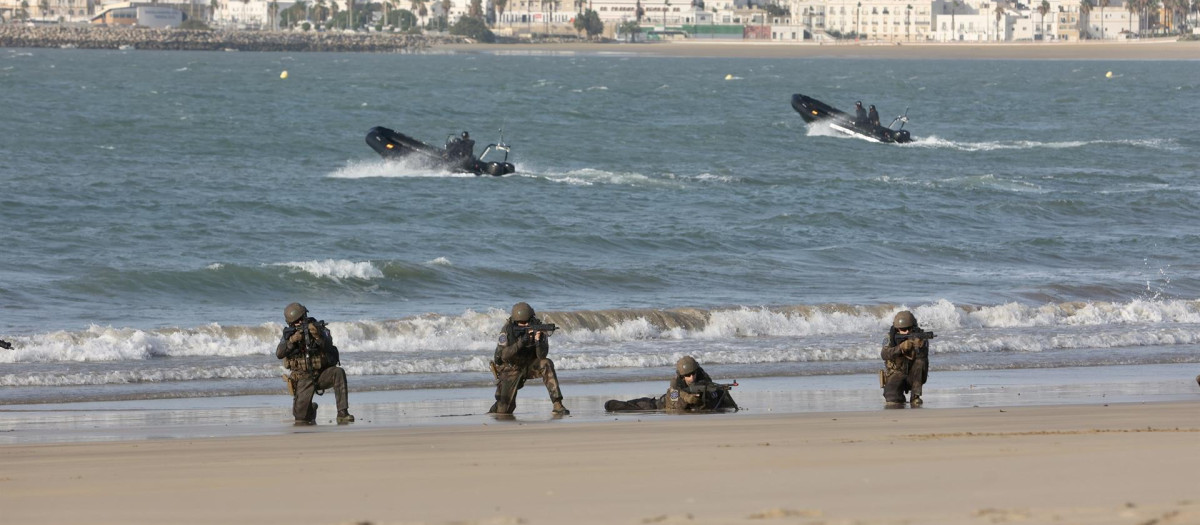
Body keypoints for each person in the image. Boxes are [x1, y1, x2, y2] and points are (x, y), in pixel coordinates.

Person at [275, 303, 354, 425]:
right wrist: (292, 341)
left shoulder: (318, 328)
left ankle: (342, 413)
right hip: (302, 378)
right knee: (301, 419)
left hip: (321, 374)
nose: (301, 323)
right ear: (291, 324)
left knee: (338, 372)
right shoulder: (289, 334)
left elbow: (329, 347)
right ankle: (311, 408)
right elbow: (279, 353)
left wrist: (318, 337)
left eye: (303, 319)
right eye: (297, 321)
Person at [488, 302, 569, 415]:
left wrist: (538, 341)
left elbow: (542, 356)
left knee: (546, 363)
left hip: (529, 365)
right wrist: (521, 342)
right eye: (521, 323)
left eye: (527, 321)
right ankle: (497, 405)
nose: (525, 324)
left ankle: (557, 404)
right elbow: (504, 355)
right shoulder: (507, 330)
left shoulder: (538, 328)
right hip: (510, 368)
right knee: (505, 411)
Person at [604, 356, 738, 413]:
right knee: (638, 406)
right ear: (681, 375)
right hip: (661, 404)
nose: (691, 377)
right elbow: (673, 402)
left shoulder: (702, 376)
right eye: (687, 375)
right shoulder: (675, 382)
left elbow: (712, 389)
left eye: (693, 373)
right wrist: (688, 398)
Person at [880, 310, 931, 407]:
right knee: (892, 399)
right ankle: (899, 397)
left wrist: (918, 347)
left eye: (908, 329)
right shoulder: (890, 337)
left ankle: (915, 396)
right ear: (897, 329)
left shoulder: (920, 337)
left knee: (920, 362)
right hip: (896, 373)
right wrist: (900, 348)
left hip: (914, 375)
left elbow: (923, 361)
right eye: (903, 329)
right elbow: (884, 354)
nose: (906, 332)